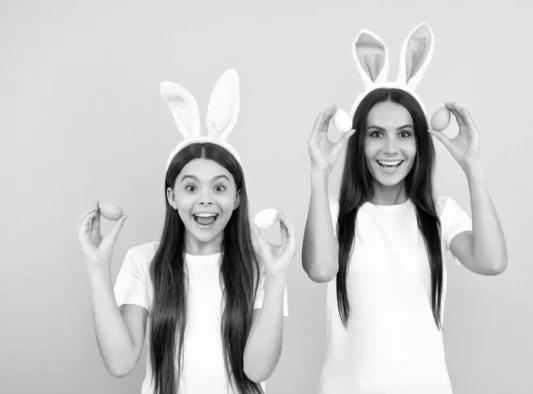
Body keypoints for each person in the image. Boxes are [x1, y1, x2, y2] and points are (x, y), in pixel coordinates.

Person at [302, 24, 508, 393]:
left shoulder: (439, 214)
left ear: (419, 144)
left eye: (405, 133)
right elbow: (319, 269)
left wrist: (472, 166)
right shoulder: (334, 214)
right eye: (376, 134)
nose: (391, 149)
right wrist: (319, 173)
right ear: (359, 142)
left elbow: (491, 262)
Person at [78, 69, 295, 394]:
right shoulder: (143, 260)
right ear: (172, 196)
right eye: (191, 187)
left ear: (236, 198)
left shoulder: (262, 265)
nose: (205, 199)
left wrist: (277, 276)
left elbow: (257, 368)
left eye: (219, 187)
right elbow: (121, 362)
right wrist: (96, 268)